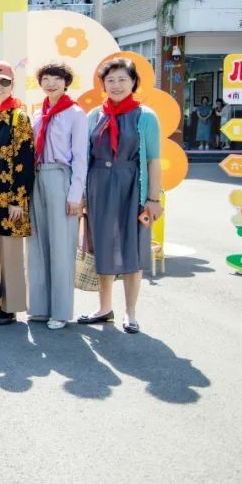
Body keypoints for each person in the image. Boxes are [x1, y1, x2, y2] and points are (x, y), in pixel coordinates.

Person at [78, 58, 163, 334]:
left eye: (122, 79)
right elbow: (84, 157)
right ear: (103, 84)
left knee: (132, 248)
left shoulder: (145, 116)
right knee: (102, 246)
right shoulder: (94, 116)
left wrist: (153, 199)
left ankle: (131, 313)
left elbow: (153, 160)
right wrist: (82, 195)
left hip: (132, 187)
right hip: (99, 185)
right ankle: (104, 308)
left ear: (134, 82)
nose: (116, 85)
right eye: (110, 80)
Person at [28, 61, 88, 329]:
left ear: (66, 83)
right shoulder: (38, 114)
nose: (51, 84)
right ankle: (40, 307)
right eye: (46, 79)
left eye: (56, 79)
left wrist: (76, 194)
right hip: (38, 177)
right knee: (38, 243)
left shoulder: (75, 113)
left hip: (61, 176)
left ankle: (61, 311)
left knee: (62, 246)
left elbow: (81, 157)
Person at [0, 61, 35, 326]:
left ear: (13, 84)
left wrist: (18, 200)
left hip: (9, 195)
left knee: (10, 254)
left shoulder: (18, 117)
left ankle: (11, 307)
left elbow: (25, 160)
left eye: (4, 82)